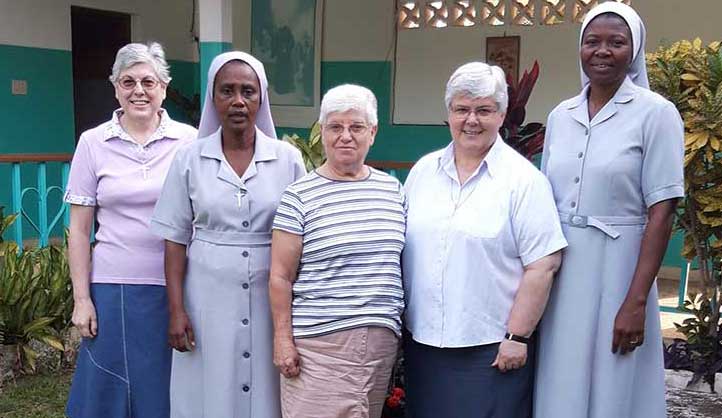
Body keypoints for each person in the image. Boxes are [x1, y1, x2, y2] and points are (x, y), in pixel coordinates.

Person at [534, 3, 684, 417]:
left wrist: (636, 300)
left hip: (622, 267)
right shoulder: (560, 115)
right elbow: (546, 200)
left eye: (617, 42)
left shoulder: (657, 113)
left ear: (633, 50)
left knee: (615, 375)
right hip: (565, 266)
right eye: (592, 41)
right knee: (560, 374)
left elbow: (663, 210)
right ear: (580, 48)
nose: (602, 51)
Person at [402, 62, 567, 418]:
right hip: (424, 345)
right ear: (449, 113)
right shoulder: (422, 173)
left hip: (491, 352)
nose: (471, 120)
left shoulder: (523, 181)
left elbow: (543, 265)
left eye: (484, 110)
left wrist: (517, 337)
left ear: (502, 114)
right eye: (462, 109)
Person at [149, 51, 305, 418]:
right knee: (209, 385)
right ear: (213, 97)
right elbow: (174, 240)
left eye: (248, 91)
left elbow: (303, 237)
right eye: (227, 90)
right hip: (206, 295)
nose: (238, 101)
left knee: (268, 384)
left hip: (272, 296)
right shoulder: (189, 159)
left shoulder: (288, 159)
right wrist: (176, 310)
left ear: (261, 98)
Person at [64, 42, 197, 418]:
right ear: (116, 87)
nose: (139, 90)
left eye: (148, 82)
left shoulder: (190, 140)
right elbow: (78, 228)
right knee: (107, 388)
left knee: (167, 386)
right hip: (113, 286)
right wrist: (82, 299)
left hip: (178, 286)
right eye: (128, 81)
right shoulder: (93, 142)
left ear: (164, 88)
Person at [269, 84, 406, 418]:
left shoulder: (392, 191)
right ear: (323, 133)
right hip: (319, 347)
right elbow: (280, 276)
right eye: (335, 127)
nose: (346, 136)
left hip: (379, 347)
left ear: (372, 133)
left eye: (356, 127)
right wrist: (283, 339)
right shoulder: (299, 196)